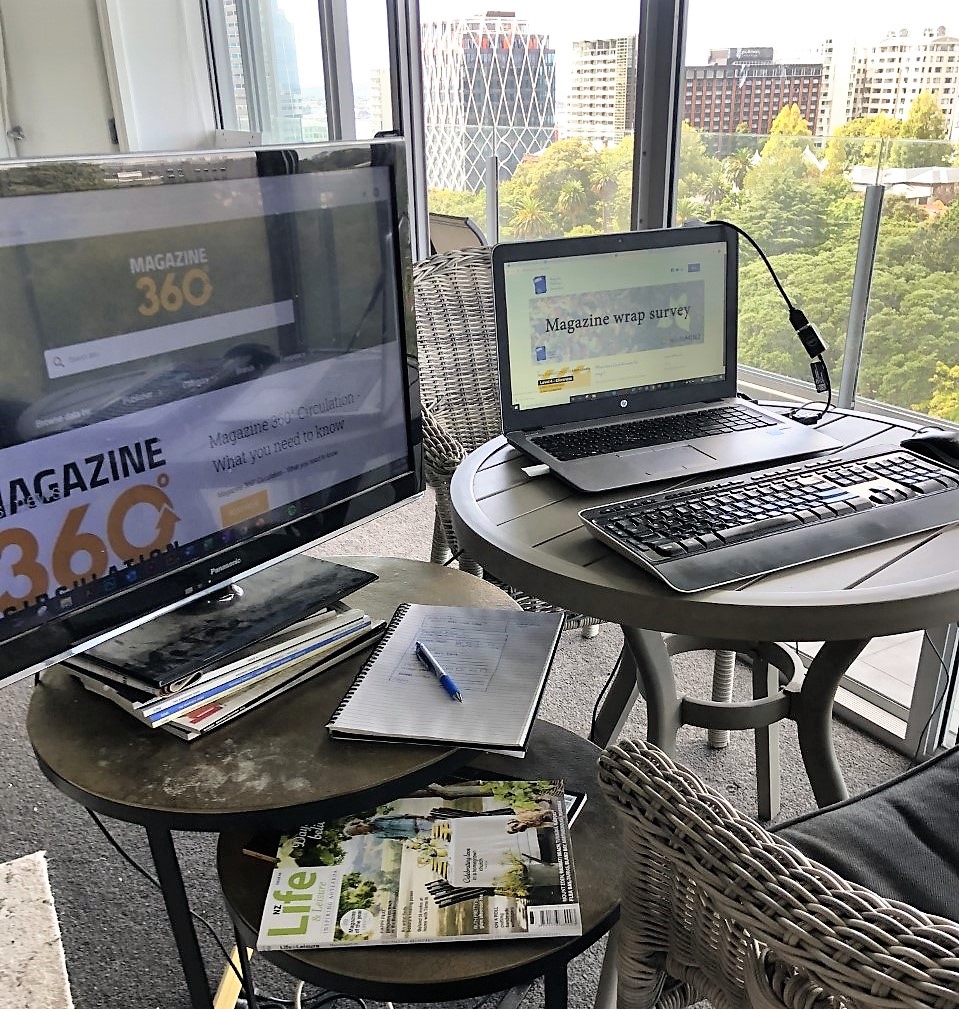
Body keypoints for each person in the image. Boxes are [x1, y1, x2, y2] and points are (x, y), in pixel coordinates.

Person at [342, 812, 437, 840]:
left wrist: (422, 817)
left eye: (359, 831)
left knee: (441, 827)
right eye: (359, 834)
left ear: (359, 825)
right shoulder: (377, 835)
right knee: (440, 836)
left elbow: (403, 816)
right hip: (419, 834)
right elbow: (398, 838)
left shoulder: (377, 819)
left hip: (418, 823)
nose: (362, 832)